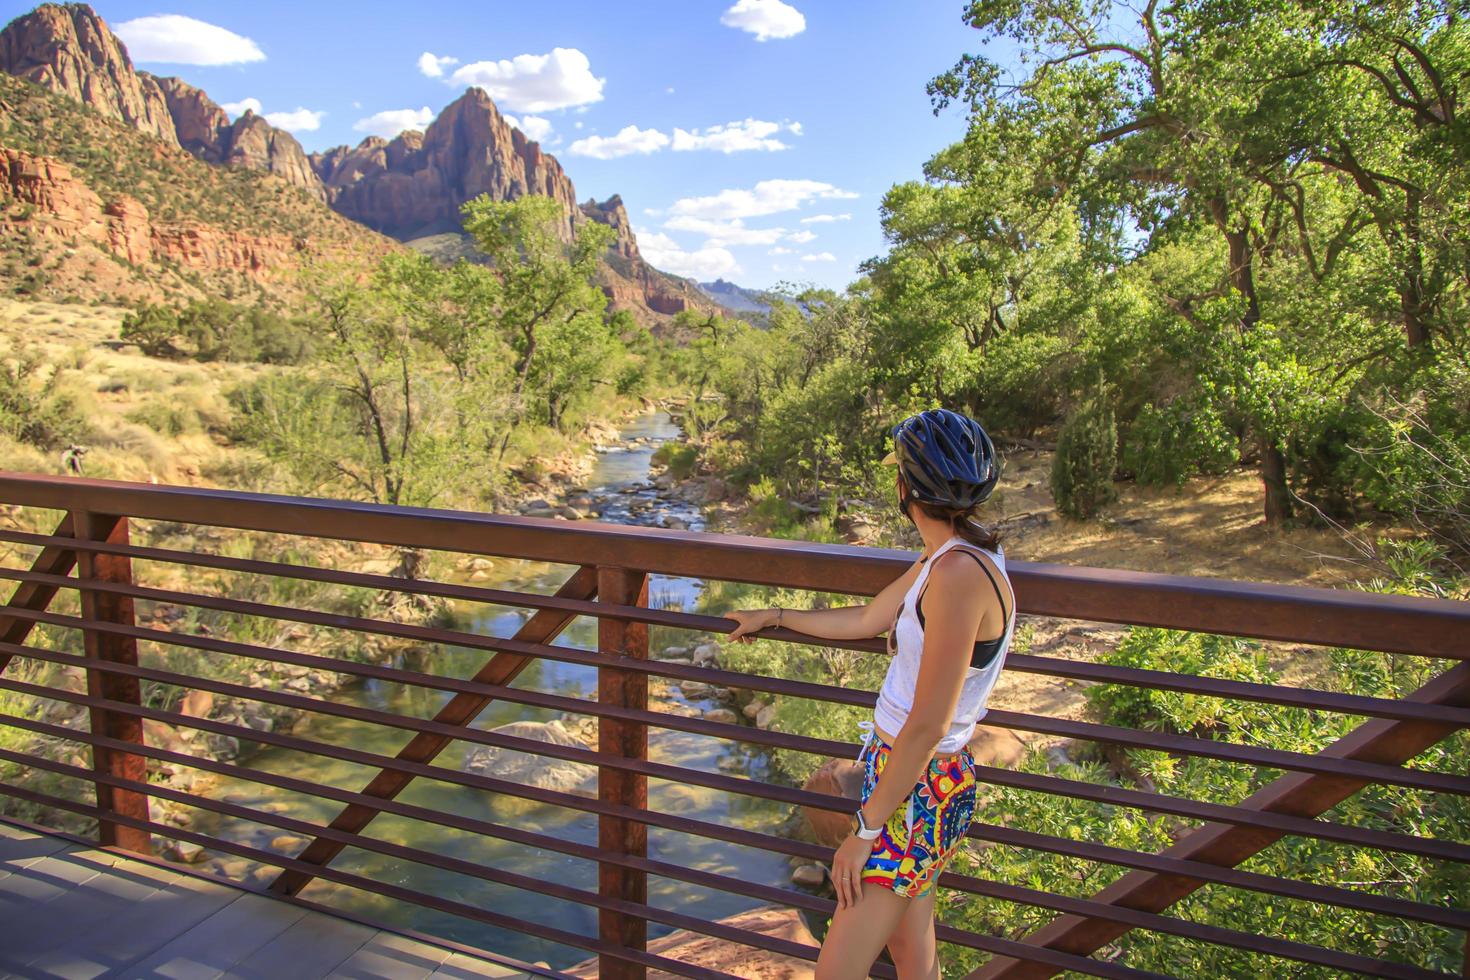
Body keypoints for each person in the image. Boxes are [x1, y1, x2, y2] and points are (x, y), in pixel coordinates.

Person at [727, 409, 1015, 979]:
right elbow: (868, 617)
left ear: (904, 487)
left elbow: (929, 723)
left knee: (837, 971)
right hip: (909, 777)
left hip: (918, 787)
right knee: (912, 957)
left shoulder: (958, 578)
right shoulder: (948, 559)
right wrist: (777, 615)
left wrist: (864, 832)